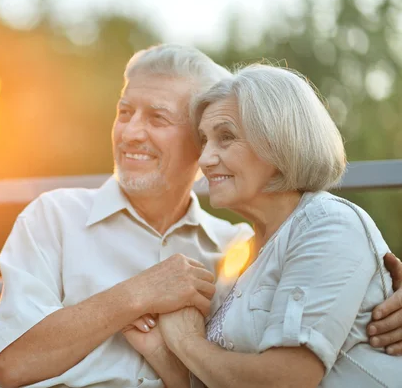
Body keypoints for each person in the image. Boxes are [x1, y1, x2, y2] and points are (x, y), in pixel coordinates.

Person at [0, 44, 402, 388]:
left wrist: (379, 295)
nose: (130, 132)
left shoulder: (237, 248)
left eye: (158, 118)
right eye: (125, 112)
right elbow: (10, 368)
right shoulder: (54, 217)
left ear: (194, 138)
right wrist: (136, 294)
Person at [155, 64, 400, 387]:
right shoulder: (241, 256)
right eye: (204, 140)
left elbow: (286, 381)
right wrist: (158, 349)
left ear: (278, 139)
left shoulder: (329, 224)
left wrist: (187, 342)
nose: (204, 159)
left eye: (225, 137)